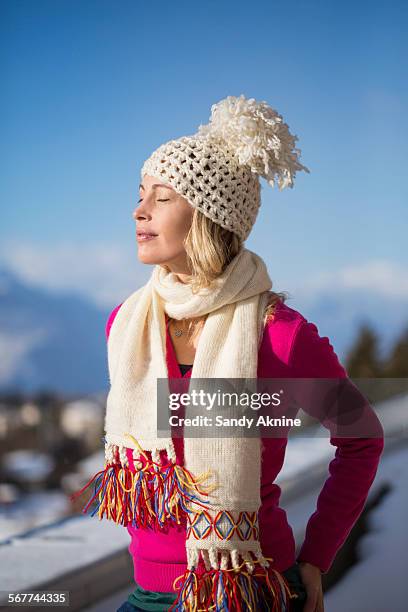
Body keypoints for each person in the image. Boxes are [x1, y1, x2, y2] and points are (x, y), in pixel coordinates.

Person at [72, 94, 384, 612]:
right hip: (149, 593)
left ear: (209, 217)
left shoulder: (279, 334)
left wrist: (317, 556)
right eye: (140, 192)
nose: (139, 210)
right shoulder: (128, 325)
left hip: (249, 589)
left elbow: (362, 438)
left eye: (163, 196)